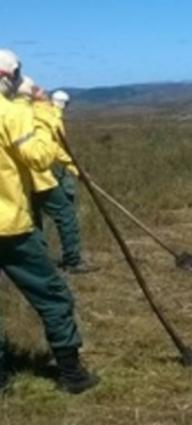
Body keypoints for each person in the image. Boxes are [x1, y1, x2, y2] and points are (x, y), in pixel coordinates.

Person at [0, 49, 98, 395]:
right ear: (8, 76)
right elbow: (40, 157)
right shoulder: (10, 113)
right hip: (9, 228)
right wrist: (41, 108)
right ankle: (72, 374)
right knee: (53, 297)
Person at [15, 78, 94, 274]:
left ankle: (38, 263)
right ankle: (72, 260)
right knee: (65, 214)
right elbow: (53, 146)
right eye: (38, 89)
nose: (43, 90)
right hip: (39, 178)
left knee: (34, 221)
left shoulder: (21, 112)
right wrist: (77, 170)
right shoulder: (39, 114)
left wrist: (76, 169)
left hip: (23, 180)